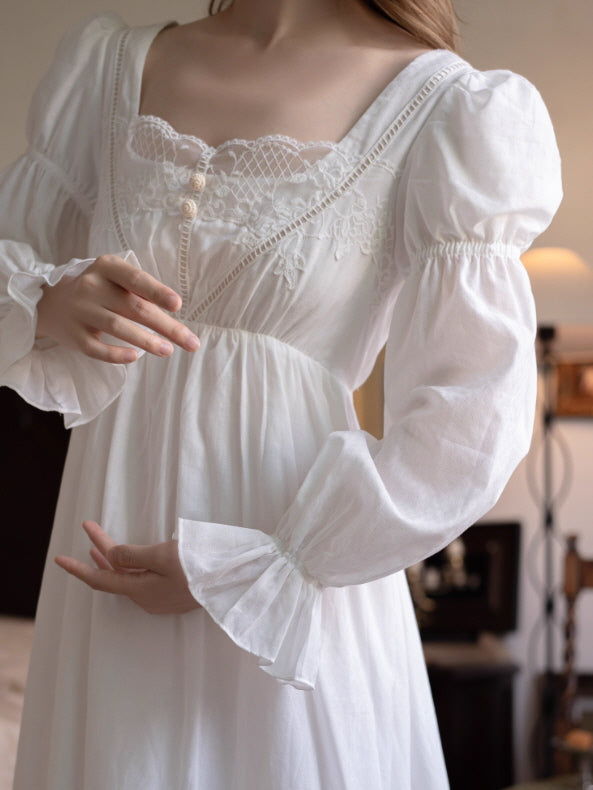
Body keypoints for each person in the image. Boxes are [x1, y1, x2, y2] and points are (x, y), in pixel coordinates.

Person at [0, 0, 561, 788]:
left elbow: (470, 413)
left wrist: (260, 569)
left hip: (289, 576)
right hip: (111, 552)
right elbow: (13, 254)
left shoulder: (442, 105)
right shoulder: (106, 66)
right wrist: (44, 300)